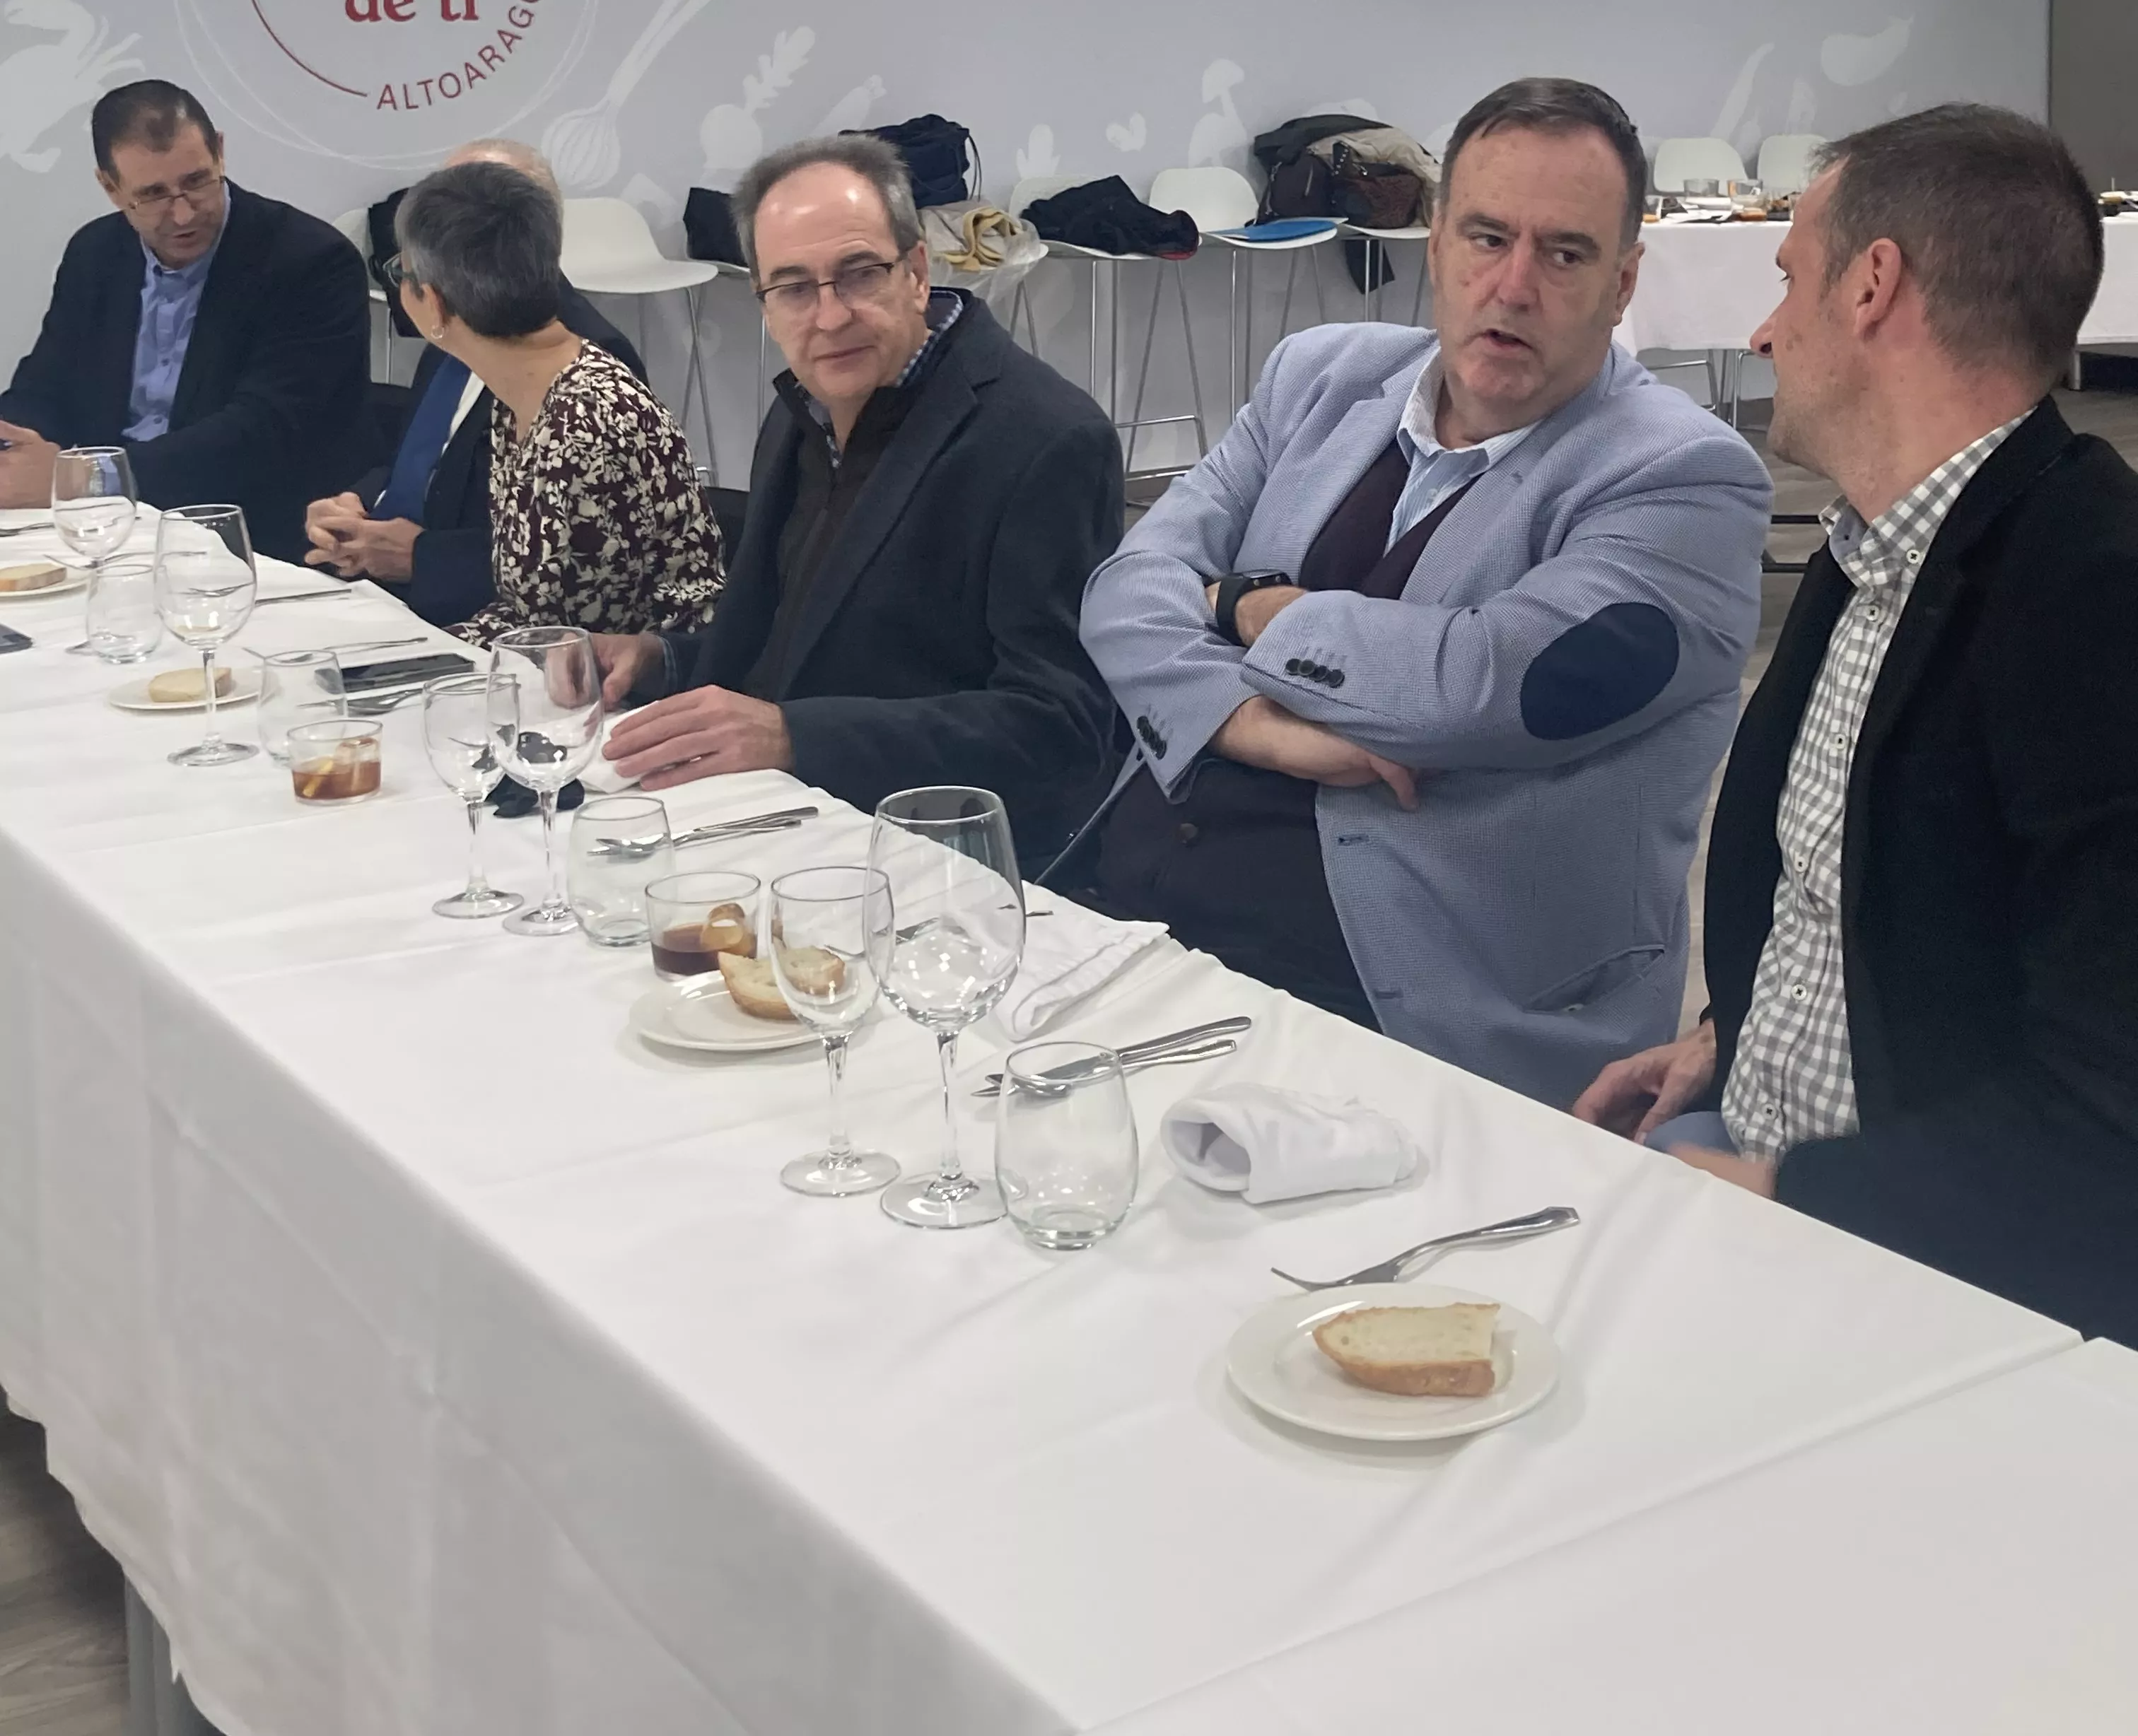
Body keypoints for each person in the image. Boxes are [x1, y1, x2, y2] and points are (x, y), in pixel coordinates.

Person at [1077, 76, 1770, 1106]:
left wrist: (1247, 606)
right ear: (1436, 246)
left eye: (1565, 253)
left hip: (1407, 992)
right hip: (1131, 896)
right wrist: (1244, 725)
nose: (1515, 284)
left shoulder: (1685, 478)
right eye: (1488, 238)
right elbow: (1126, 589)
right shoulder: (1318, 376)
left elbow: (1482, 685)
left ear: (1624, 284)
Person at [1572, 105, 2138, 1343]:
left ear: (1872, 285)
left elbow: (2109, 1118)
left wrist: (1780, 1190)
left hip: (1938, 1270)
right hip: (1787, 1166)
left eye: (1785, 281)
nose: (1765, 329)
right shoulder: (1877, 537)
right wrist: (1722, 1043)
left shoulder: (2090, 599)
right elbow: (1861, 900)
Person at [597, 136, 1121, 855]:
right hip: (777, 818)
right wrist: (663, 659)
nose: (830, 315)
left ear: (915, 271)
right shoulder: (800, 412)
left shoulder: (1044, 440)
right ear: (763, 302)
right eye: (793, 287)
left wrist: (792, 736)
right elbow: (799, 645)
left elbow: (1061, 728)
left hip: (929, 861)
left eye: (858, 274)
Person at [0, 80, 368, 561]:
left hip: (253, 531)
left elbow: (261, 432)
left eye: (197, 181)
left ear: (220, 152)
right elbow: (46, 388)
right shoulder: (96, 252)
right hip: (111, 526)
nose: (182, 213)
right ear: (110, 188)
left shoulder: (310, 260)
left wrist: (89, 478)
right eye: (152, 195)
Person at [302, 138, 646, 627]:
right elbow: (417, 466)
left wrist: (419, 557)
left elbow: (584, 569)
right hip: (380, 593)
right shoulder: (455, 337)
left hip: (473, 621)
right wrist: (353, 507)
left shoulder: (584, 371)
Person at [386, 160, 723, 647]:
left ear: (434, 305)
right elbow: (528, 614)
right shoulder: (524, 392)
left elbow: (571, 640)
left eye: (402, 272)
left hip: (629, 696)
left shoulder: (583, 423)